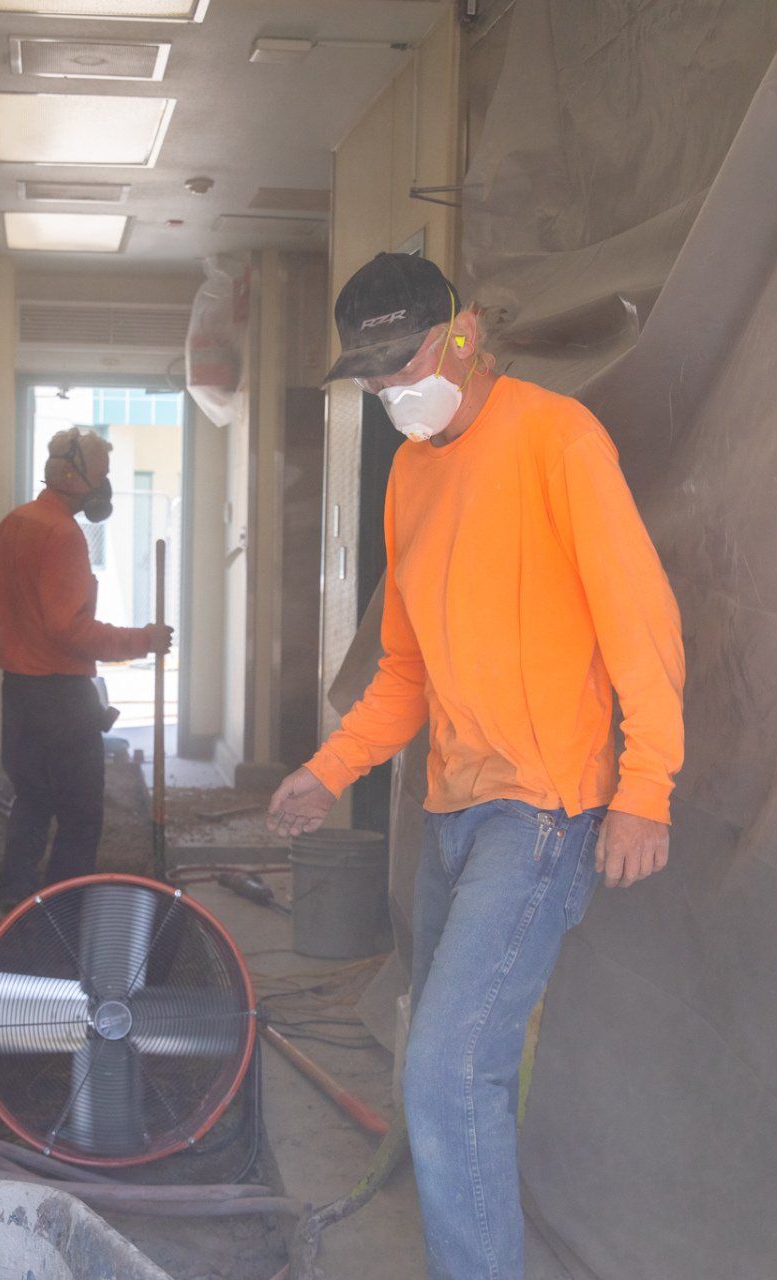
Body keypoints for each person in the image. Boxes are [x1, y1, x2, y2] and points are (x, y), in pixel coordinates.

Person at [267, 253, 685, 1279]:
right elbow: (404, 671)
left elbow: (641, 623)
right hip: (451, 812)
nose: (387, 390)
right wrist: (328, 770)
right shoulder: (411, 475)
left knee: (447, 1073)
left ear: (461, 336)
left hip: (540, 811)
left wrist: (646, 788)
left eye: (399, 364)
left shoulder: (557, 438)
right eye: (369, 376)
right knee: (456, 1067)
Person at [0, 427, 173, 905]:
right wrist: (143, 640)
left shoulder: (14, 522)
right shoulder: (63, 535)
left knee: (32, 802)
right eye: (101, 474)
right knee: (81, 816)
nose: (104, 486)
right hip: (61, 699)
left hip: (18, 692)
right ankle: (63, 917)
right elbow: (70, 629)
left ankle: (14, 909)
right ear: (71, 476)